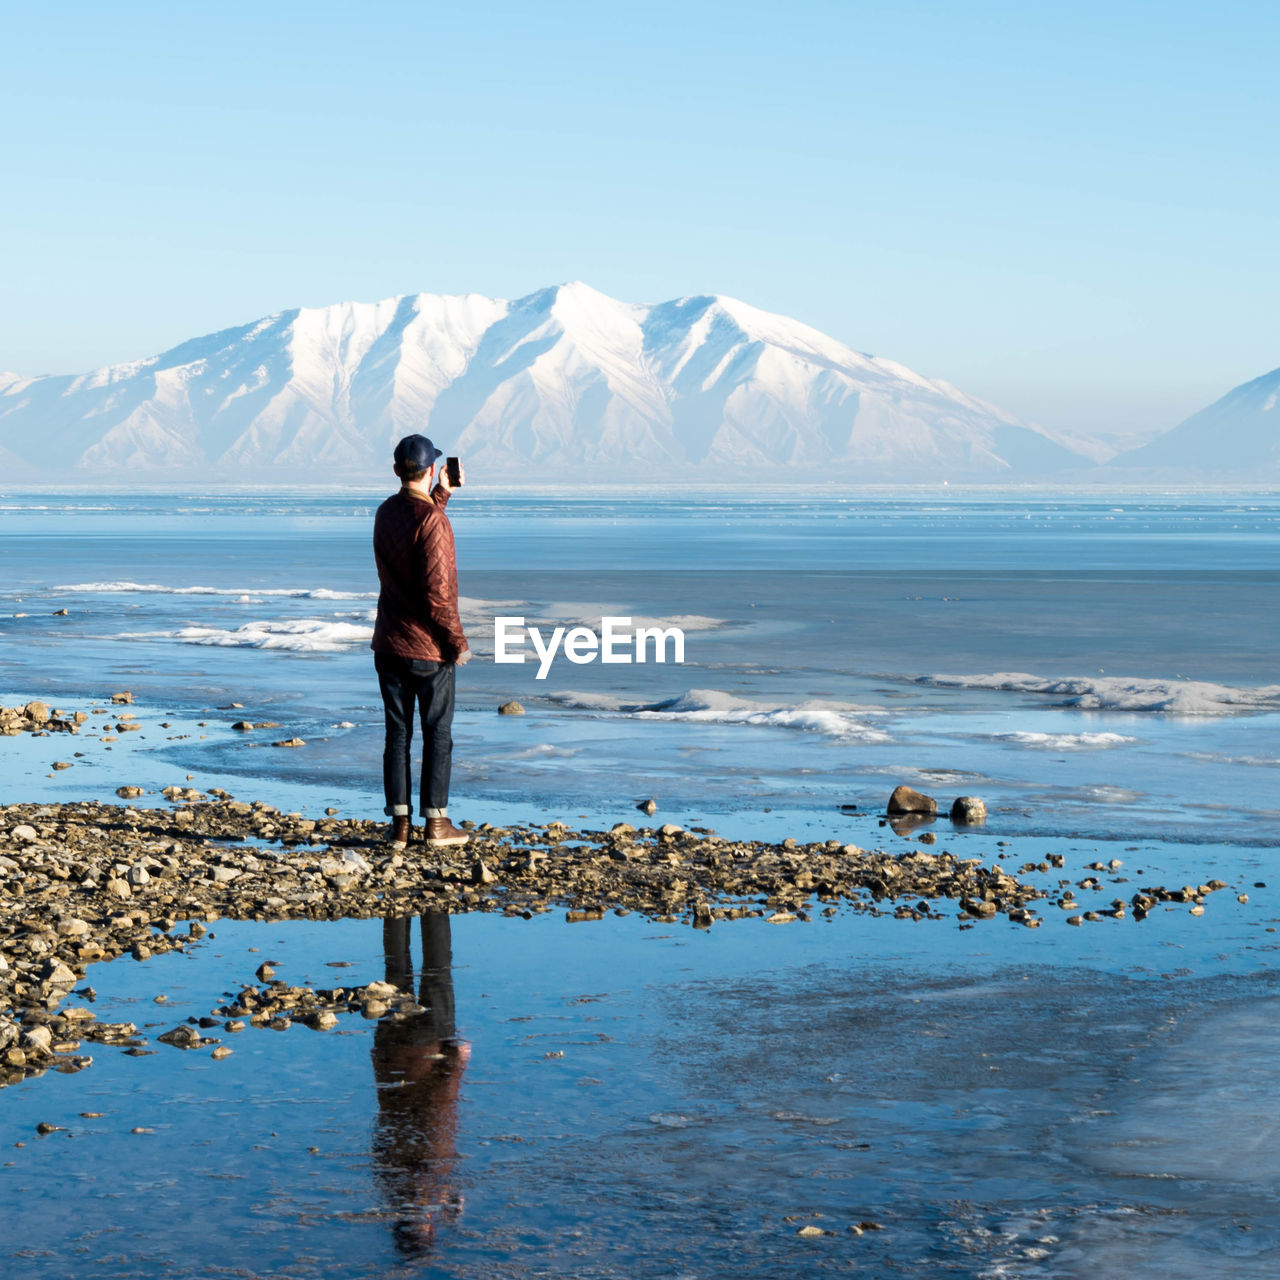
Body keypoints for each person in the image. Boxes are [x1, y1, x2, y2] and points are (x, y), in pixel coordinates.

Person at [372, 433, 471, 848]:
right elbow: (438, 593)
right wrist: (457, 643)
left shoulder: (385, 512)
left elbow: (414, 541)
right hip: (428, 650)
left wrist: (440, 498)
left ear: (397, 471)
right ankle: (436, 824)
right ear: (432, 469)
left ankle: (399, 827)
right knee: (437, 733)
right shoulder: (433, 521)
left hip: (390, 643)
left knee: (397, 735)